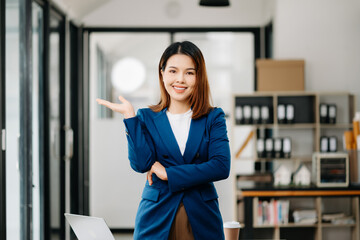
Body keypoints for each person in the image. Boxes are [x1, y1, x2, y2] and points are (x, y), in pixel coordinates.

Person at [96, 41, 231, 240]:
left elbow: (221, 166)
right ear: (162, 73)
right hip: (156, 214)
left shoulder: (213, 117)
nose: (180, 79)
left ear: (199, 77)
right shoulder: (145, 117)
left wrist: (168, 173)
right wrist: (130, 118)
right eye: (173, 71)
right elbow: (141, 164)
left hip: (201, 215)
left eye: (189, 73)